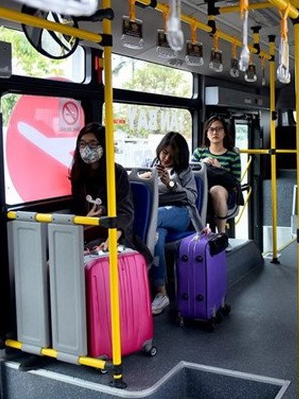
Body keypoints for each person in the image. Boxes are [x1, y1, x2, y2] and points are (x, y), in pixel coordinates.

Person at [141, 132, 203, 315]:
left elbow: (192, 197)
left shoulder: (185, 171)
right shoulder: (151, 165)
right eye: (164, 153)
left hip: (181, 213)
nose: (166, 158)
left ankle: (144, 264)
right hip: (157, 215)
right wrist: (147, 177)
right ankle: (161, 291)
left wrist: (170, 184)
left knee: (153, 217)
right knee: (156, 236)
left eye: (172, 155)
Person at [69, 123, 135, 253]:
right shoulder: (78, 173)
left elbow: (125, 214)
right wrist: (87, 220)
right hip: (87, 231)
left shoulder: (117, 172)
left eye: (92, 144)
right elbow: (77, 209)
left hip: (112, 232)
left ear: (104, 145)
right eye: (82, 144)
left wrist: (111, 239)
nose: (87, 148)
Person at [191, 116, 242, 233]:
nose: (215, 132)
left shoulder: (232, 156)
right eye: (211, 129)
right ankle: (197, 232)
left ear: (225, 132)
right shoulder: (199, 153)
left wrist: (220, 168)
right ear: (207, 133)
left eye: (219, 129)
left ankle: (221, 233)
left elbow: (236, 181)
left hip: (226, 192)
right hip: (202, 190)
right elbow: (190, 174)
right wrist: (201, 164)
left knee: (216, 190)